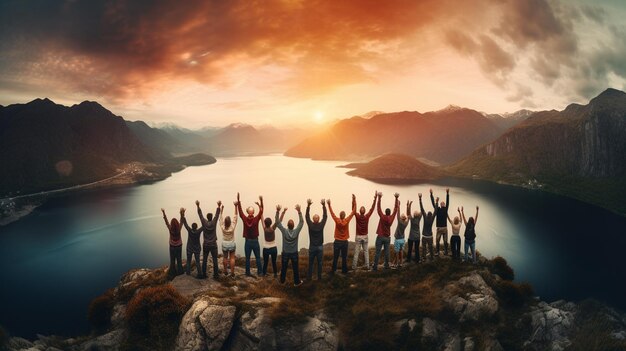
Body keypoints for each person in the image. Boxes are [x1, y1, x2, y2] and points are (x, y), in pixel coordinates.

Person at [235, 193, 264, 277]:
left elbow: (240, 212)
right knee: (258, 257)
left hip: (247, 241)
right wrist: (261, 202)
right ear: (253, 212)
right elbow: (261, 211)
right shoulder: (256, 219)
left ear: (247, 212)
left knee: (247, 258)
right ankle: (260, 272)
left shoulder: (244, 218)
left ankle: (247, 272)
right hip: (255, 241)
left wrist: (238, 201)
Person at [276, 204, 304, 286]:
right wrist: (299, 212)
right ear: (294, 226)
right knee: (295, 268)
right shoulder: (296, 231)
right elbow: (301, 222)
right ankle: (296, 282)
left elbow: (277, 222)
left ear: (287, 225)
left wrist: (278, 211)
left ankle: (282, 281)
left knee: (284, 268)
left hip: (285, 253)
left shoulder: (284, 231)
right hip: (294, 253)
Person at [327, 195, 356, 274]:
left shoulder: (337, 220)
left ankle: (333, 270)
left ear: (340, 215)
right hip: (344, 242)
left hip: (337, 241)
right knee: (344, 257)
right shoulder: (347, 220)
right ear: (344, 215)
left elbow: (332, 214)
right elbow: (353, 212)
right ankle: (344, 270)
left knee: (335, 257)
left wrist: (329, 205)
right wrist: (354, 200)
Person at [373, 192, 400, 271]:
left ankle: (375, 267)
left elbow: (378, 208)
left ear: (385, 212)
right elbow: (395, 209)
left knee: (377, 252)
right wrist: (396, 198)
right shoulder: (391, 218)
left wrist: (379, 198)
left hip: (380, 236)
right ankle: (387, 266)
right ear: (390, 213)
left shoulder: (382, 216)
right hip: (387, 237)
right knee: (387, 253)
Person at [196, 200, 221, 279]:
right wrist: (219, 206)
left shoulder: (204, 222)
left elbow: (200, 215)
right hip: (213, 244)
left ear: (207, 218)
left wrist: (198, 206)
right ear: (211, 217)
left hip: (206, 244)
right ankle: (216, 275)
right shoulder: (214, 222)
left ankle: (204, 274)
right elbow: (217, 215)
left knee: (205, 260)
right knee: (215, 260)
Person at [353, 192, 377, 271]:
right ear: (364, 211)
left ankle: (354, 267)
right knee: (366, 252)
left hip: (358, 236)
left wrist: (354, 200)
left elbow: (353, 209)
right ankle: (367, 266)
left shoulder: (357, 216)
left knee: (356, 252)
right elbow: (372, 209)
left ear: (360, 211)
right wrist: (375, 198)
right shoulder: (367, 216)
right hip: (365, 236)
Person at [306, 198, 327, 280]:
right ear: (318, 220)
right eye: (316, 218)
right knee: (320, 263)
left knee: (310, 263)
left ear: (313, 219)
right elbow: (325, 217)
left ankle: (309, 278)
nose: (315, 219)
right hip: (320, 247)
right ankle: (319, 278)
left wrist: (308, 206)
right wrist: (324, 206)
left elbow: (307, 217)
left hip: (312, 247)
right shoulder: (321, 225)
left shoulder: (310, 225)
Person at [261, 207, 286, 277]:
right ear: (271, 223)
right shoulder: (273, 228)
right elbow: (279, 220)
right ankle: (275, 274)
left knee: (265, 262)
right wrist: (283, 212)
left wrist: (261, 210)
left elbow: (261, 219)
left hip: (266, 248)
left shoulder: (264, 228)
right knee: (274, 262)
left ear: (265, 223)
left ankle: (263, 273)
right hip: (273, 248)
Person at [161, 208, 184, 277]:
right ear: (177, 223)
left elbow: (166, 222)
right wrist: (182, 213)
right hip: (179, 246)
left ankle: (172, 274)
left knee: (172, 261)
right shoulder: (179, 228)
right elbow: (182, 221)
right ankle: (180, 273)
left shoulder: (170, 228)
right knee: (179, 260)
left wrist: (164, 213)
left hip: (172, 247)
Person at [180, 208, 202, 278]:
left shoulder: (189, 230)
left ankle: (188, 273)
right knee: (198, 262)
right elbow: (204, 225)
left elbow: (185, 223)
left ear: (192, 227)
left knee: (188, 261)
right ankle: (200, 274)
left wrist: (183, 214)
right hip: (197, 248)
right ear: (196, 227)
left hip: (189, 248)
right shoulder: (198, 231)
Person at [219, 203, 238, 278]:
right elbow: (235, 217)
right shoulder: (232, 227)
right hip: (232, 243)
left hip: (224, 244)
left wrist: (222, 209)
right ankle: (232, 272)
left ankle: (225, 271)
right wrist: (236, 206)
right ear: (230, 222)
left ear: (225, 222)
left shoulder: (222, 227)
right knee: (232, 258)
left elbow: (220, 218)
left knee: (225, 257)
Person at [431, 188, 450, 256]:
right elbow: (433, 204)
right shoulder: (437, 209)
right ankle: (437, 252)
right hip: (439, 228)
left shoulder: (445, 209)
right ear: (440, 204)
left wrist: (447, 193)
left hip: (444, 228)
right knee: (437, 240)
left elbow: (448, 202)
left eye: (443, 203)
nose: (442, 203)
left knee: (445, 241)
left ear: (444, 205)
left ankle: (446, 251)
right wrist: (431, 195)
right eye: (441, 203)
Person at [419, 193, 436, 261]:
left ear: (427, 215)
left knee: (424, 248)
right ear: (431, 215)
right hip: (430, 236)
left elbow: (422, 209)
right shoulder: (432, 219)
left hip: (424, 236)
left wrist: (420, 199)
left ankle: (424, 257)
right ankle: (431, 257)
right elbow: (435, 211)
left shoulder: (425, 218)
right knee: (430, 247)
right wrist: (436, 202)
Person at [393, 201, 409, 268]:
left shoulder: (399, 222)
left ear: (401, 218)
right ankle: (401, 263)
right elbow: (408, 215)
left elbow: (398, 213)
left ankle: (397, 263)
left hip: (397, 239)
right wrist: (407, 206)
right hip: (402, 239)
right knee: (401, 251)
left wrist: (398, 205)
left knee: (397, 252)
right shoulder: (406, 223)